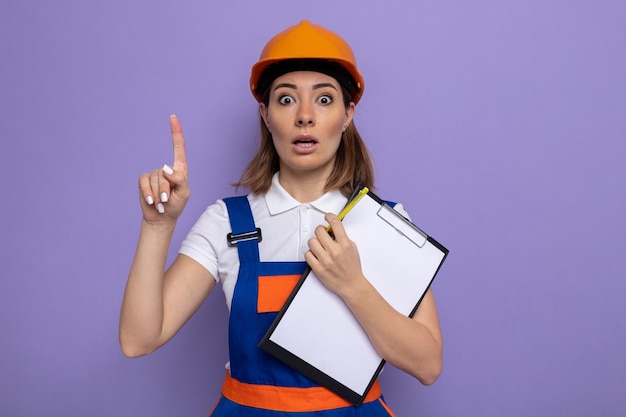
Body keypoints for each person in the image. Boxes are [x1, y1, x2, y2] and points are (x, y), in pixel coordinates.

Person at [119, 19, 442, 416]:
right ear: (266, 114)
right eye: (286, 99)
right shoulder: (226, 222)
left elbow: (427, 365)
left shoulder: (383, 222)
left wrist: (353, 285)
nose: (304, 116)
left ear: (348, 114)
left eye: (324, 100)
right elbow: (139, 340)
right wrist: (158, 226)